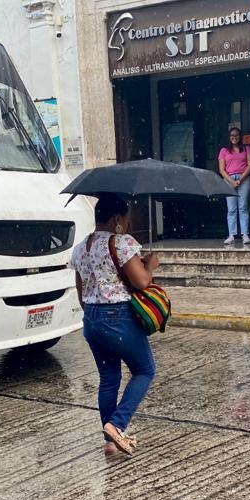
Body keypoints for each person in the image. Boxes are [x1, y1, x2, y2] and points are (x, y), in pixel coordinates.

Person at [69, 194, 161, 457]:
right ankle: (117, 424)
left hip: (92, 319)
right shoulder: (121, 243)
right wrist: (151, 265)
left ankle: (111, 441)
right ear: (117, 219)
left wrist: (93, 312)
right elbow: (142, 282)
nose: (128, 225)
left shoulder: (81, 248)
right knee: (145, 370)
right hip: (118, 316)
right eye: (127, 220)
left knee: (109, 379)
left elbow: (81, 288)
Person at [218, 126, 250, 245]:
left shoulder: (246, 149)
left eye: (236, 135)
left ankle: (245, 234)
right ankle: (232, 235)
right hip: (229, 180)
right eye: (232, 135)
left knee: (243, 206)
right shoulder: (224, 151)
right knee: (231, 209)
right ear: (229, 137)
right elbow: (222, 169)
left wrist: (240, 179)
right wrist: (231, 181)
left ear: (240, 137)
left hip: (243, 179)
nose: (234, 137)